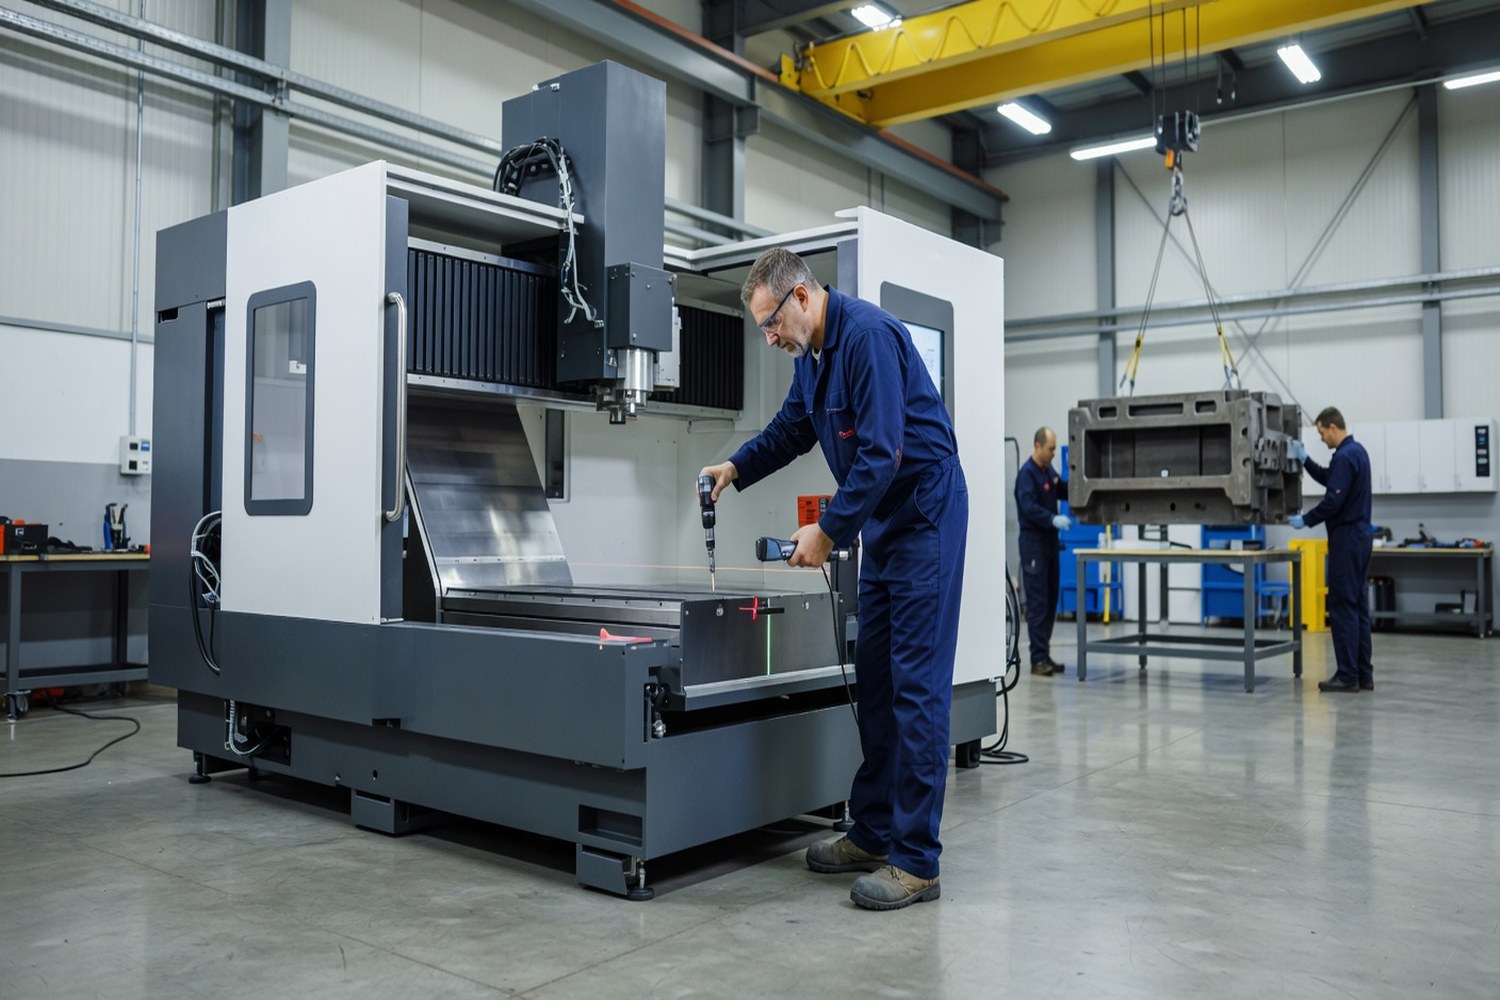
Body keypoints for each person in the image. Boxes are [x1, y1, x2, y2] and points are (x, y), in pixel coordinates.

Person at [698, 247, 968, 911]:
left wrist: (828, 532)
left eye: (771, 323)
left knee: (916, 688)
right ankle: (874, 830)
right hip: (882, 524)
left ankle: (916, 861)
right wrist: (735, 466)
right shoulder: (813, 358)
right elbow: (794, 429)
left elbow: (882, 452)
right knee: (875, 681)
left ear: (799, 297)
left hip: (924, 520)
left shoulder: (868, 337)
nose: (769, 338)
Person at [1288, 407, 1374, 692]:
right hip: (1360, 537)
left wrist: (1306, 520)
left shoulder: (1346, 456)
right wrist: (1305, 461)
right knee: (1358, 605)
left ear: (1333, 427)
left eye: (1322, 432)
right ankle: (1363, 673)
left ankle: (1347, 675)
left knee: (1342, 606)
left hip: (1347, 538)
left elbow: (1333, 502)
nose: (1322, 438)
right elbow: (1330, 479)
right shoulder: (1356, 452)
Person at [1014, 426, 1072, 676]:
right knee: (1037, 603)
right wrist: (1052, 519)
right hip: (1034, 544)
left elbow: (1061, 490)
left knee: (1050, 601)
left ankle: (1044, 654)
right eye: (1050, 449)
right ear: (1038, 446)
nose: (1053, 453)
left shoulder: (1047, 470)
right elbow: (1028, 508)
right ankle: (1037, 660)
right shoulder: (1027, 475)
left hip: (1049, 543)